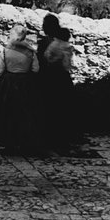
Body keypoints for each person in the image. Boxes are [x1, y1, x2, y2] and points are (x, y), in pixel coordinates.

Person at [0, 24, 39, 152]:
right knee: (25, 113)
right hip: (25, 84)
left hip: (9, 83)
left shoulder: (6, 51)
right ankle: (24, 141)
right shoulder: (31, 52)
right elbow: (36, 69)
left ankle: (9, 142)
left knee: (8, 112)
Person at [37, 15, 77, 150]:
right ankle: (62, 138)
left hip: (48, 78)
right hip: (62, 78)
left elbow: (41, 61)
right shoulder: (64, 42)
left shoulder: (45, 42)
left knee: (49, 108)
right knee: (62, 108)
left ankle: (49, 138)